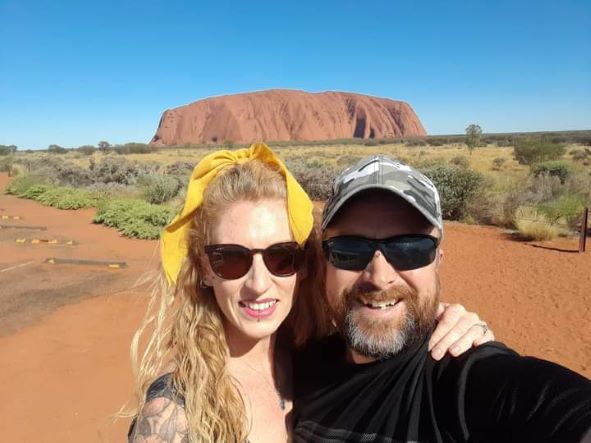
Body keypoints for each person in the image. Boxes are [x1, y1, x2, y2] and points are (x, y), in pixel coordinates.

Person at [126, 144, 494, 443]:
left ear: (305, 264)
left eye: (281, 257)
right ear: (206, 269)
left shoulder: (311, 359)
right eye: (231, 259)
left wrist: (439, 320)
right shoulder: (175, 412)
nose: (258, 283)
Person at [292, 155, 591, 442]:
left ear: (438, 262)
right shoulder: (296, 370)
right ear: (325, 264)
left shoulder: (467, 383)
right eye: (349, 249)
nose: (379, 276)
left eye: (410, 248)